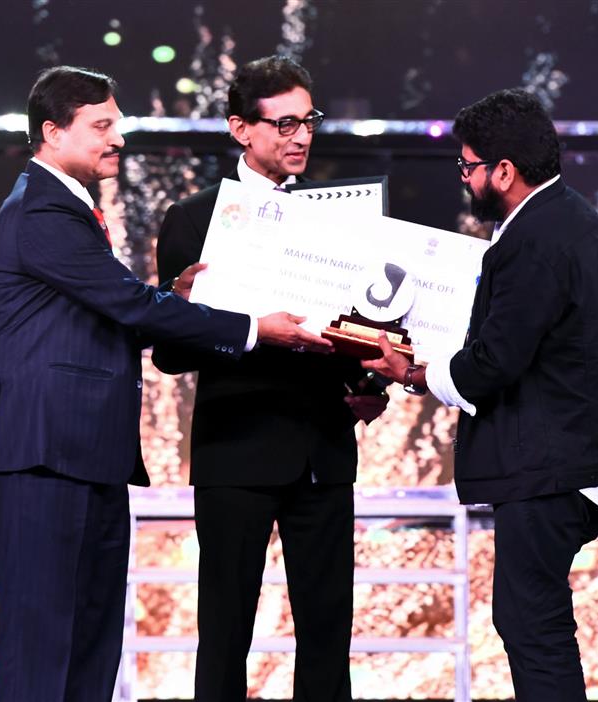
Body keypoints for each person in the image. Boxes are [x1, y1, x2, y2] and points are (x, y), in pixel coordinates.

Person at [0, 65, 328, 702]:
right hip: (43, 454)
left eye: (118, 125)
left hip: (84, 455)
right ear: (52, 133)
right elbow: (128, 306)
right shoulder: (41, 211)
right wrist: (252, 327)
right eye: (102, 126)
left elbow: (110, 314)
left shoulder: (67, 209)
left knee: (89, 637)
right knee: (42, 640)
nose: (118, 140)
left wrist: (171, 299)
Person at [363, 88, 598, 701]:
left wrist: (413, 373)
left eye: (468, 166)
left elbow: (498, 358)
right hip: (559, 465)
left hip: (549, 470)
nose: (465, 179)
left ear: (503, 170)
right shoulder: (564, 218)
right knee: (533, 621)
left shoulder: (537, 236)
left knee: (533, 625)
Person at [153, 55, 387, 702]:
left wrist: (373, 387)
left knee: (326, 637)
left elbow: (364, 323)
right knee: (225, 634)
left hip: (324, 450)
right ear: (240, 128)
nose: (301, 136)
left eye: (308, 120)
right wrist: (186, 308)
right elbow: (169, 356)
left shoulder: (343, 216)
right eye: (284, 124)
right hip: (236, 452)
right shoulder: (190, 219)